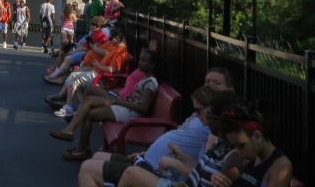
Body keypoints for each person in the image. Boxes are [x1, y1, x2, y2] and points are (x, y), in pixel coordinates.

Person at [77, 72, 235, 187]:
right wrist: (170, 154)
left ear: (230, 90)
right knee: (97, 156)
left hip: (159, 171)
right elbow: (201, 165)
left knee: (88, 169)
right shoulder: (211, 130)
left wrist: (174, 162)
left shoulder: (216, 132)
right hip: (152, 161)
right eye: (207, 81)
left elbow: (202, 175)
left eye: (216, 83)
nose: (209, 86)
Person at [114, 90, 244, 187]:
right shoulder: (218, 143)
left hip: (180, 182)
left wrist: (175, 163)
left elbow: (207, 179)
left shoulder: (232, 155)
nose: (207, 120)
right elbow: (201, 170)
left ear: (221, 119)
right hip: (176, 178)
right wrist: (181, 156)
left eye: (209, 115)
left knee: (130, 173)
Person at [50, 49, 160, 160]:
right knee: (89, 104)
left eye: (144, 61)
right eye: (140, 59)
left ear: (152, 65)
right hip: (125, 106)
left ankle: (74, 137)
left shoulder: (151, 83)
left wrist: (123, 102)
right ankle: (79, 145)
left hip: (130, 113)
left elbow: (143, 108)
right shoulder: (145, 78)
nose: (140, 62)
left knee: (89, 105)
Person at [210, 104, 293, 187]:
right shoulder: (251, 157)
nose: (238, 151)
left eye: (240, 145)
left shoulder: (280, 166)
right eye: (234, 146)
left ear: (257, 136)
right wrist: (217, 178)